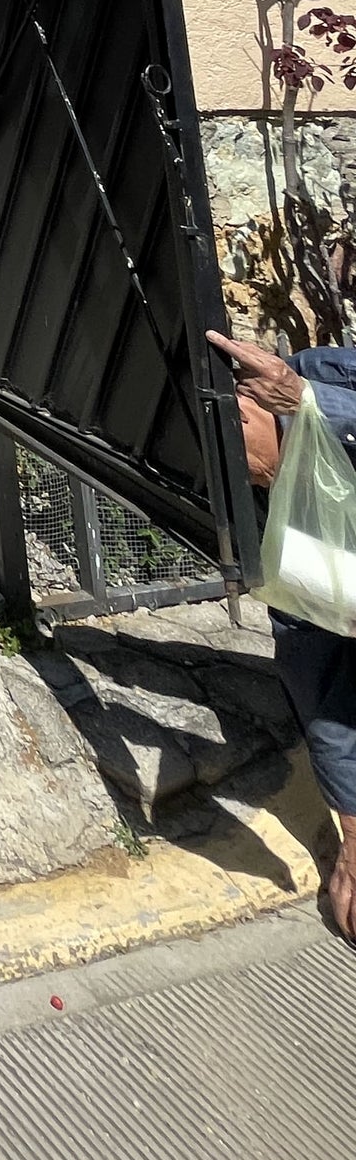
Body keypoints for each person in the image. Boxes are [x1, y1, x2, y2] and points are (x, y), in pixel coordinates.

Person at [208, 328, 356, 942]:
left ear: (248, 410)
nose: (253, 484)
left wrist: (304, 398)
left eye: (253, 474)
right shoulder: (289, 527)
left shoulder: (322, 385)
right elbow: (322, 693)